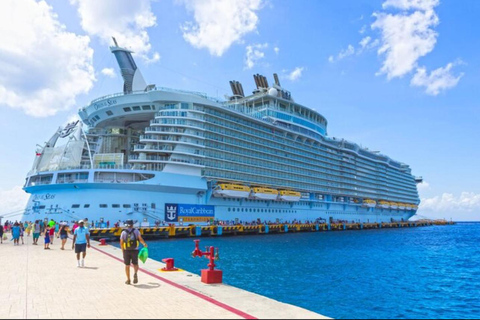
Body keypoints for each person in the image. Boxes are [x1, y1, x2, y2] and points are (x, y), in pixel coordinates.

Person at [120, 220, 147, 285]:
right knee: (135, 263)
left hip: (126, 250)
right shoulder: (136, 231)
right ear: (132, 225)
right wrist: (144, 244)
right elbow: (140, 239)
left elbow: (121, 243)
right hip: (135, 250)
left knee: (127, 265)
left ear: (126, 225)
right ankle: (135, 273)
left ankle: (128, 279)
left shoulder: (123, 232)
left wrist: (123, 252)